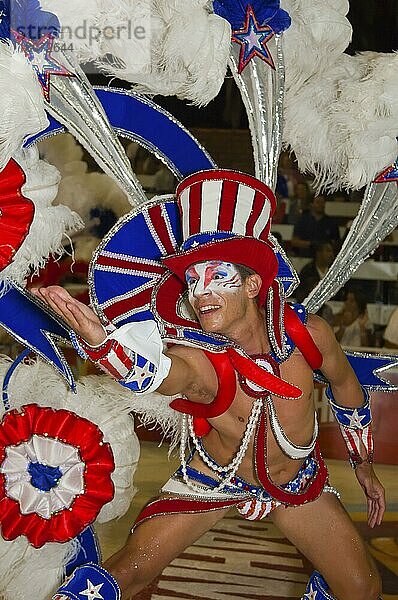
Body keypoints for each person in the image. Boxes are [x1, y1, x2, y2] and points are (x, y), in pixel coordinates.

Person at [36, 170, 384, 600]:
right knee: (126, 576)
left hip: (297, 481)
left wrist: (363, 465)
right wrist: (105, 347)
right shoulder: (203, 360)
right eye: (194, 279)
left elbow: (346, 386)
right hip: (214, 479)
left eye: (217, 275)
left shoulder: (307, 335)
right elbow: (161, 374)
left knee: (362, 589)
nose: (200, 291)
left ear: (254, 284)